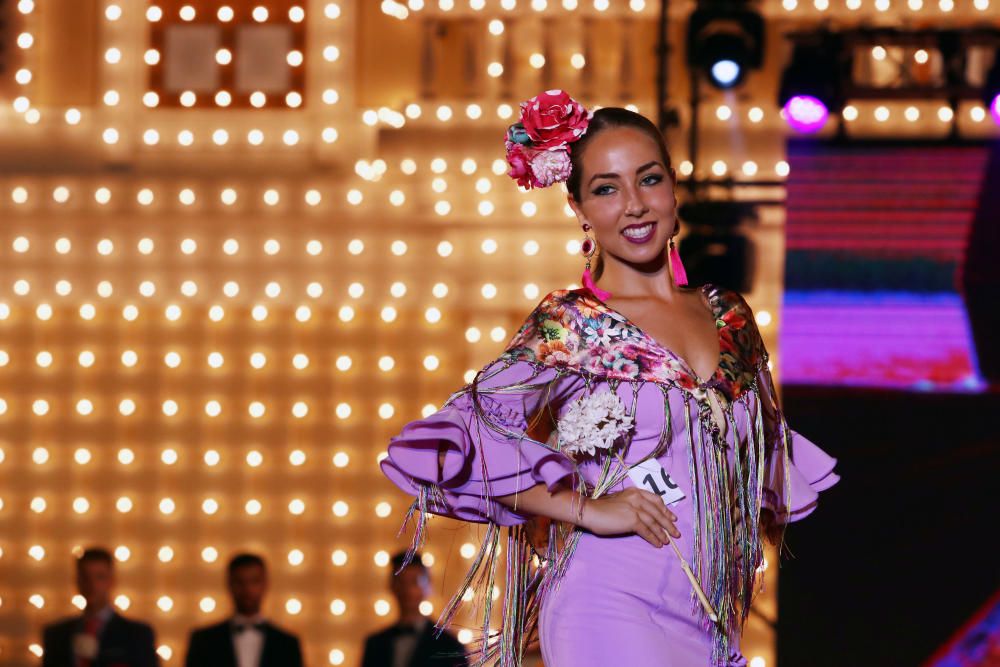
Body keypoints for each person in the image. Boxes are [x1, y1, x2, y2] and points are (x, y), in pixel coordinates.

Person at [380, 89, 840, 667]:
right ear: (579, 209)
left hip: (713, 620)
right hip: (607, 602)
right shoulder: (572, 324)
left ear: (674, 186)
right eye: (606, 188)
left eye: (648, 180)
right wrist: (585, 509)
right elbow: (459, 439)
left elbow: (760, 475)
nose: (633, 205)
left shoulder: (731, 316)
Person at [41, 547, 158, 667]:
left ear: (112, 581)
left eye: (100, 577)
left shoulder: (137, 635)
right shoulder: (56, 635)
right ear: (77, 581)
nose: (92, 584)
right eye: (86, 577)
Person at [184, 553, 303, 667]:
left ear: (266, 584)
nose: (247, 589)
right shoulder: (204, 641)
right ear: (229, 584)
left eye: (254, 581)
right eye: (239, 582)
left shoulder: (287, 644)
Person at [360, 551, 468, 667]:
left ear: (428, 586)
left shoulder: (449, 647)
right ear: (391, 585)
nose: (408, 590)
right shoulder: (375, 644)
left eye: (414, 582)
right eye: (401, 582)